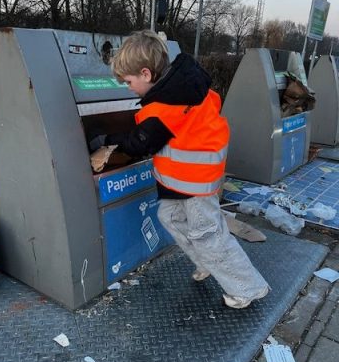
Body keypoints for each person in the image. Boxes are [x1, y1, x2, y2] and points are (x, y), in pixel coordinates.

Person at [89, 30, 270, 309]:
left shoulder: (164, 108)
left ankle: (248, 288)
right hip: (186, 183)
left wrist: (107, 141)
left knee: (209, 236)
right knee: (169, 216)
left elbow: (140, 143)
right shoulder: (182, 89)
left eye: (128, 81)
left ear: (147, 74)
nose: (127, 88)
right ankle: (206, 262)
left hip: (196, 184)